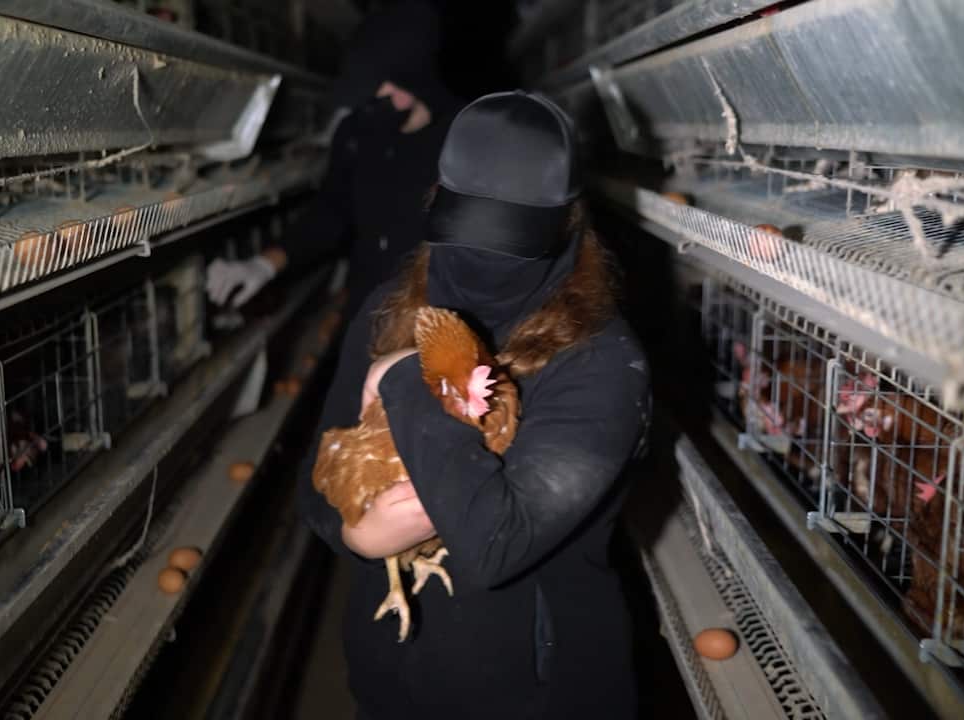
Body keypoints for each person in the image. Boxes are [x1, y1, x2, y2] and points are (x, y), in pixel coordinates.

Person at [297, 91, 652, 719]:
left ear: (570, 224)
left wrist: (405, 376)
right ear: (436, 204)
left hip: (535, 696)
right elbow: (317, 472)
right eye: (469, 231)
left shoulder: (602, 363)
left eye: (515, 238)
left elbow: (497, 544)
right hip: (391, 681)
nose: (485, 266)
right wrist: (357, 536)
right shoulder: (386, 308)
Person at [205, 0, 461, 323]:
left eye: (387, 85)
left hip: (437, 320)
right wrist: (265, 264)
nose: (376, 98)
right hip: (367, 314)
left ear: (416, 77)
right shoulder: (357, 132)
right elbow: (332, 210)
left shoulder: (464, 138)